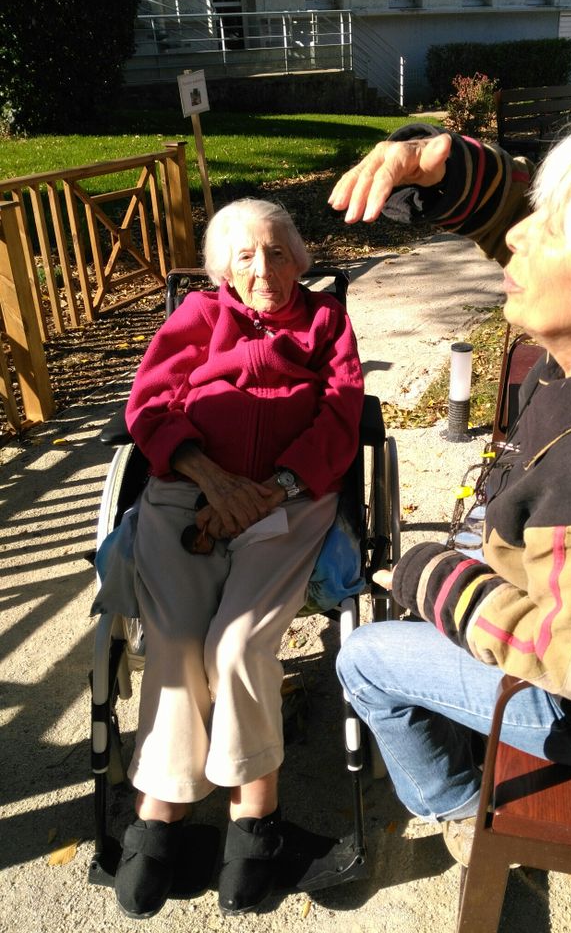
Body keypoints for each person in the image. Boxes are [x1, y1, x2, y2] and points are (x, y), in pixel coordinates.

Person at [330, 113, 571, 865]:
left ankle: (453, 803)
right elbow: (509, 217)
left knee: (365, 658)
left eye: (551, 229)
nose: (516, 237)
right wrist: (443, 167)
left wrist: (432, 578)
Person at [114, 198, 364, 918]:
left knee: (237, 644)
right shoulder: (195, 317)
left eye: (278, 253)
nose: (265, 270)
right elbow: (151, 402)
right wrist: (212, 480)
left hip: (289, 500)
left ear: (300, 259)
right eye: (246, 257)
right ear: (223, 268)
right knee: (175, 640)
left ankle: (255, 823)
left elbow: (342, 414)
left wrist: (276, 486)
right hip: (187, 494)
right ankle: (158, 822)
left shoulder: (326, 322)